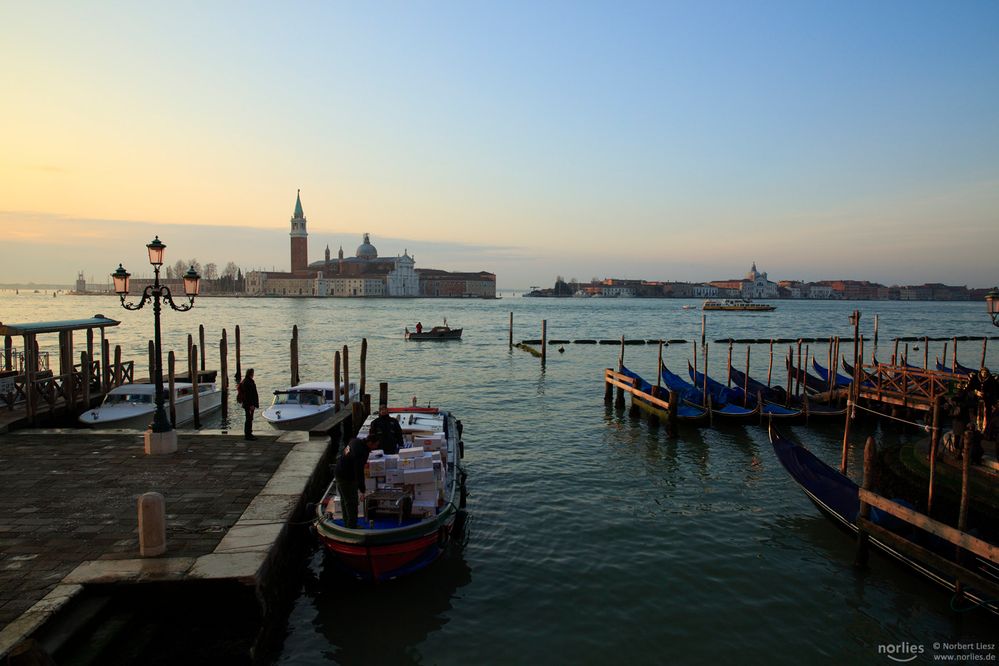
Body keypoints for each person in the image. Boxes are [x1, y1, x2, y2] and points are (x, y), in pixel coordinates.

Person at [334, 435, 380, 528]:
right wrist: (362, 489)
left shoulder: (355, 441)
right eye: (376, 445)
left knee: (345, 500)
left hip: (339, 472)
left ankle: (347, 522)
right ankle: (352, 525)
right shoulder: (361, 452)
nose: (377, 447)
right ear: (370, 443)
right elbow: (359, 471)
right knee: (352, 502)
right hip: (346, 478)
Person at [237, 368, 259, 441]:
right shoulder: (248, 382)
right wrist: (251, 405)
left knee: (249, 418)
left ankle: (249, 433)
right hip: (249, 404)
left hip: (247, 404)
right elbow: (249, 395)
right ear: (251, 373)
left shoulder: (246, 381)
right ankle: (248, 435)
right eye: (253, 373)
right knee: (249, 419)